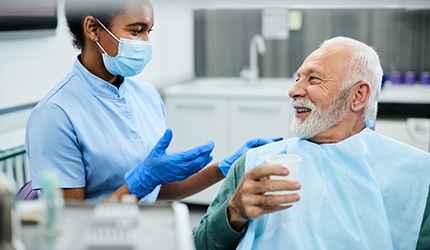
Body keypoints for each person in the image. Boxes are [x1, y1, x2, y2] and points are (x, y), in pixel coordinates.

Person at [25, 0, 281, 203]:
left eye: (149, 31)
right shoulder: (55, 115)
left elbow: (159, 190)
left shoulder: (146, 96)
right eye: (137, 31)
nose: (146, 42)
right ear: (93, 29)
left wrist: (227, 167)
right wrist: (140, 182)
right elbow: (68, 229)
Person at [192, 36, 430, 249]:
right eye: (297, 78)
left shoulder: (417, 178)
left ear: (357, 96)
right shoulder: (255, 167)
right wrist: (233, 212)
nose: (293, 90)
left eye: (313, 79)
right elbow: (199, 245)